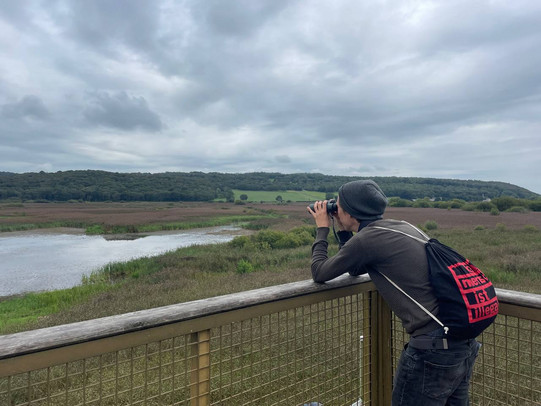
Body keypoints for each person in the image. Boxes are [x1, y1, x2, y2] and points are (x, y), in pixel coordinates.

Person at [308, 179, 480, 406]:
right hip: (461, 342)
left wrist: (322, 228)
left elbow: (319, 272)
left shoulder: (368, 239)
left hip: (433, 348)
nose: (335, 210)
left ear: (350, 212)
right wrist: (342, 230)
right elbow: (355, 268)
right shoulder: (401, 226)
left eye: (338, 206)